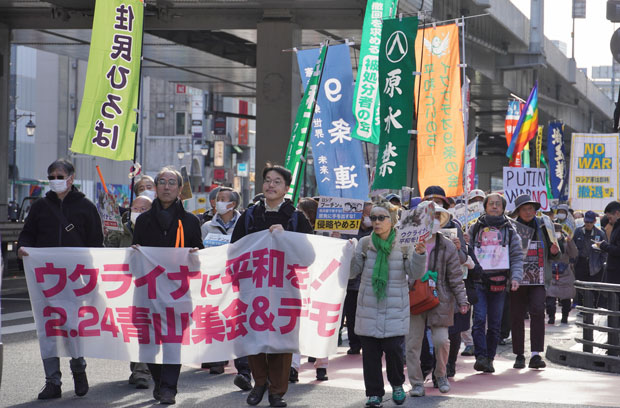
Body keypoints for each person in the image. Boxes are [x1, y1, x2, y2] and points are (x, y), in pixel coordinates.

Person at [17, 159, 104, 400]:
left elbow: (96, 244)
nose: (55, 179)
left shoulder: (86, 207)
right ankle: (52, 381)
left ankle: (78, 369)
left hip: (75, 281)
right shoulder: (40, 207)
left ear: (71, 178)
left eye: (59, 175)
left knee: (72, 328)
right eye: (51, 175)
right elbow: (27, 234)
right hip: (46, 280)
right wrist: (24, 247)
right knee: (48, 329)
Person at [231, 163, 313, 408]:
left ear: (287, 188)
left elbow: (308, 256)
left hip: (284, 287)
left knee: (281, 338)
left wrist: (286, 236)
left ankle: (277, 391)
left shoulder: (297, 218)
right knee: (254, 336)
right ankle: (259, 383)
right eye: (267, 180)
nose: (270, 185)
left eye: (277, 181)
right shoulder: (250, 215)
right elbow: (234, 250)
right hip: (252, 286)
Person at [132, 167, 203, 405]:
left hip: (177, 291)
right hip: (148, 292)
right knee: (149, 341)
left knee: (173, 342)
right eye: (162, 182)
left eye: (172, 182)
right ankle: (160, 380)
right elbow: (134, 257)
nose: (166, 186)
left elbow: (199, 258)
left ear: (179, 189)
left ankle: (169, 388)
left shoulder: (191, 221)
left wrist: (194, 254)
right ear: (156, 187)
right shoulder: (143, 220)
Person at [350, 201, 426, 407]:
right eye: (372, 218)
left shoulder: (404, 244)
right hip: (368, 308)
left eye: (381, 218)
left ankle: (398, 384)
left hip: (395, 309)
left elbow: (416, 273)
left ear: (392, 221)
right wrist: (346, 252)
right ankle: (374, 393)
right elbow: (351, 272)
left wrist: (419, 254)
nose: (376, 222)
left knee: (394, 352)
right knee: (370, 357)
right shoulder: (365, 243)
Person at [407, 203, 469, 397]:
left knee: (442, 341)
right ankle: (416, 382)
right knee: (412, 344)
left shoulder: (447, 245)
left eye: (435, 217)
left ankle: (440, 375)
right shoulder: (408, 242)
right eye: (427, 216)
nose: (431, 221)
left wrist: (462, 300)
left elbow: (455, 276)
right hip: (414, 297)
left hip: (440, 298)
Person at [198, 187, 252, 390]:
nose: (218, 202)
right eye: (217, 199)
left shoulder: (244, 224)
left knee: (238, 322)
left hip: (237, 279)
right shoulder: (206, 227)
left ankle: (244, 369)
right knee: (215, 318)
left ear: (233, 204)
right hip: (213, 280)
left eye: (222, 199)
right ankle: (217, 359)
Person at [468, 193, 524, 373]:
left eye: (497, 204)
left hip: (500, 283)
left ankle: (489, 358)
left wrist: (515, 277)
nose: (494, 206)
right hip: (479, 281)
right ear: (485, 207)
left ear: (503, 208)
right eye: (491, 203)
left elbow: (516, 256)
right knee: (478, 320)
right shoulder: (475, 228)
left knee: (494, 324)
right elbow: (467, 251)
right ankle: (481, 356)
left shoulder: (510, 230)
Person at [105, 195, 154, 389]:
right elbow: (106, 254)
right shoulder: (120, 230)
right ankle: (137, 366)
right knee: (130, 330)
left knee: (144, 327)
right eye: (136, 208)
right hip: (123, 288)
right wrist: (108, 235)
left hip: (147, 287)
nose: (138, 213)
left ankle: (142, 370)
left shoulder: (154, 229)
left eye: (144, 210)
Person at [510, 194, 560, 370]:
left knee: (538, 310)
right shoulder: (511, 228)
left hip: (538, 278)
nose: (528, 211)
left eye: (531, 208)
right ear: (518, 211)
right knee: (516, 316)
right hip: (517, 279)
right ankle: (519, 355)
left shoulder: (544, 225)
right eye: (524, 208)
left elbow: (555, 253)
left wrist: (554, 250)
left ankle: (536, 354)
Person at [573, 210, 607, 306]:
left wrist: (600, 264)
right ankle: (581, 306)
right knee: (580, 286)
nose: (588, 224)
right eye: (586, 222)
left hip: (595, 264)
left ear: (594, 222)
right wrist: (573, 261)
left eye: (590, 222)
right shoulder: (578, 232)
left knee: (593, 287)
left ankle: (593, 306)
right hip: (580, 263)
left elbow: (605, 251)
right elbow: (573, 247)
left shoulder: (600, 234)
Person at [546, 226, 577, 324]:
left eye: (558, 232)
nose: (556, 234)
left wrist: (570, 242)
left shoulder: (566, 242)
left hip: (565, 274)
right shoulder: (547, 242)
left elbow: (574, 254)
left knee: (566, 299)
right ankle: (551, 316)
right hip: (551, 274)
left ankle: (565, 316)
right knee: (550, 299)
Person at [594, 200, 620, 284]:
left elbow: (618, 250)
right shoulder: (616, 226)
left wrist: (604, 246)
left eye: (610, 218)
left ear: (617, 213)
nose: (609, 221)